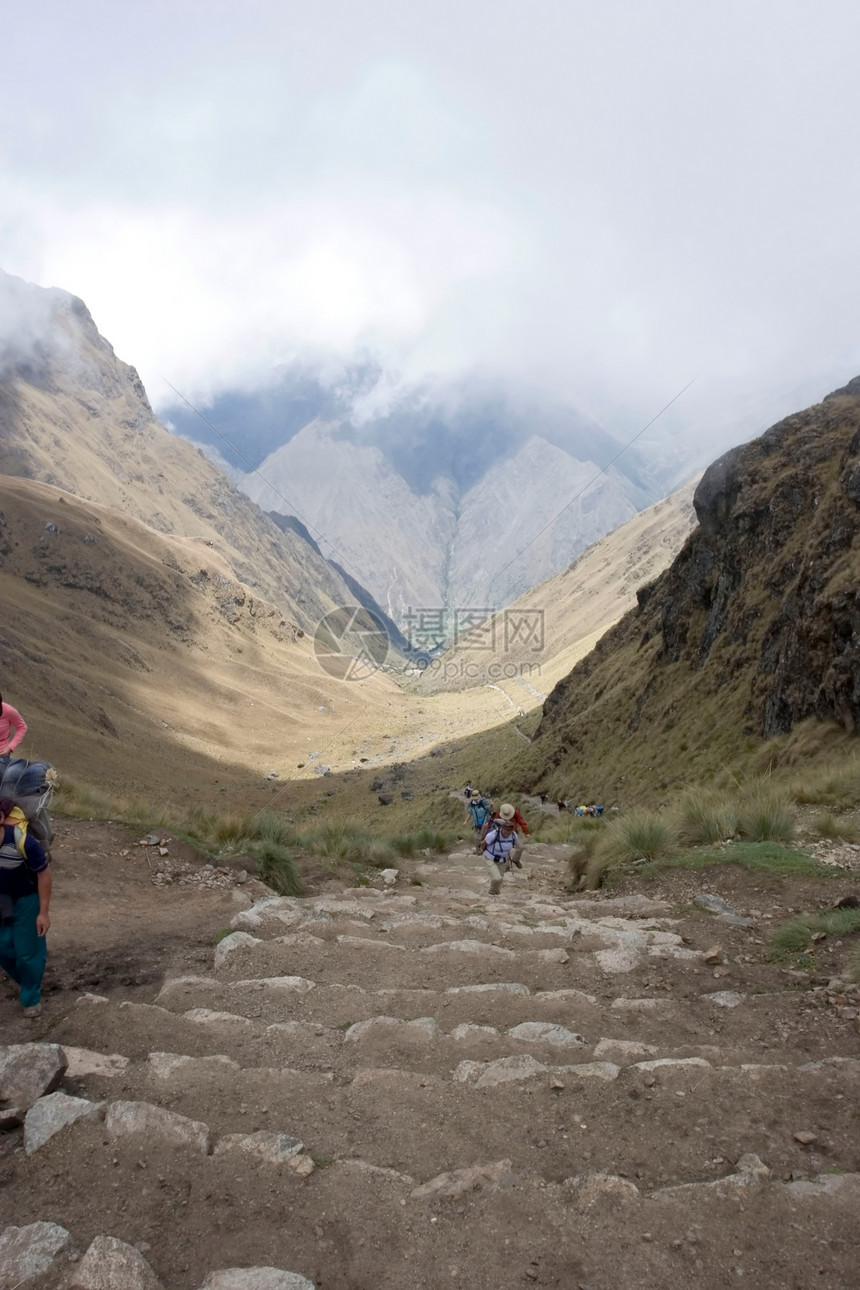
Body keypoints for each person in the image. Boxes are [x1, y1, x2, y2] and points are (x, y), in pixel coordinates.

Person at [0, 797, 52, 1017]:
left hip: (26, 900)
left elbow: (44, 874)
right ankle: (29, 980)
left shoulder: (23, 841)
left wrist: (43, 912)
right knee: (3, 948)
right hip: (2, 900)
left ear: (1, 818)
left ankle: (31, 997)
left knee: (28, 951)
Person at [482, 802, 529, 868]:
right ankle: (506, 866)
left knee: (520, 847)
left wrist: (526, 832)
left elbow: (522, 822)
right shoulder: (499, 814)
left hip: (513, 833)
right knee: (505, 849)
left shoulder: (516, 813)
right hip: (502, 833)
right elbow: (494, 823)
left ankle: (515, 860)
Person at [482, 815, 519, 895]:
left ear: (511, 831)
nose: (506, 833)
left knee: (500, 879)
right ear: (502, 828)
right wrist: (483, 851)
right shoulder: (494, 834)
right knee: (497, 878)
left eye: (508, 832)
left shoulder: (513, 835)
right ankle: (492, 893)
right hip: (490, 857)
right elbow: (483, 843)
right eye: (504, 831)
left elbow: (517, 844)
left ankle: (496, 892)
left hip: (503, 860)